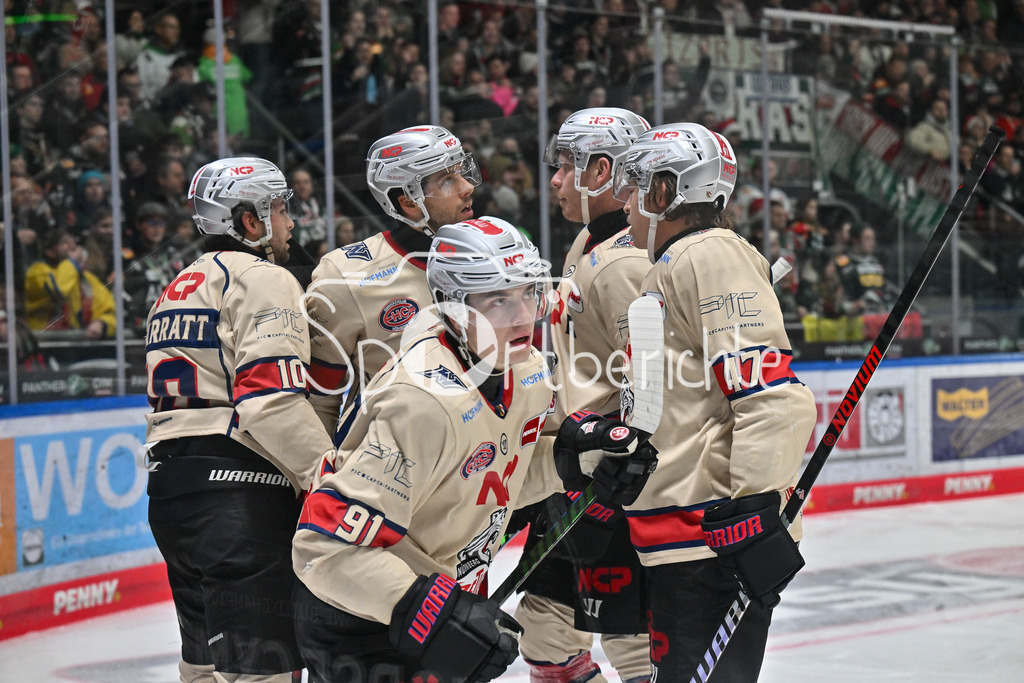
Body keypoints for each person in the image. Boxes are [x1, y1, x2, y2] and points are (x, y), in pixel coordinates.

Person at [291, 216, 655, 682]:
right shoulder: (421, 401)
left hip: (437, 607)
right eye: (498, 299)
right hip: (365, 624)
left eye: (528, 292)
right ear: (455, 308)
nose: (523, 315)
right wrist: (430, 612)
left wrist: (581, 460)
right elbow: (323, 547)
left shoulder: (525, 374)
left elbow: (494, 481)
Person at [613, 123, 816, 680]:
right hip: (681, 542)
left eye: (636, 187)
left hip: (710, 542)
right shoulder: (675, 262)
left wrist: (749, 510)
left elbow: (770, 393)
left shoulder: (710, 254)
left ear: (665, 192)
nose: (626, 202)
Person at [144, 157, 336, 683]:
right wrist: (329, 475)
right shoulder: (262, 277)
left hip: (170, 495)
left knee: (203, 669)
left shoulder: (175, 287)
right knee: (261, 672)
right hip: (237, 496)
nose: (289, 222)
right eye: (278, 209)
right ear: (248, 221)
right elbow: (267, 401)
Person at [512, 107, 653, 683]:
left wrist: (623, 460)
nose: (554, 180)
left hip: (615, 480)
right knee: (545, 632)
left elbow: (650, 387)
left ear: (602, 172)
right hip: (576, 466)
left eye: (565, 166)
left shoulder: (623, 263)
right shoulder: (587, 244)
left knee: (633, 643)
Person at [304, 125, 480, 433]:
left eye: (462, 173)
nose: (467, 187)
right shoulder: (345, 277)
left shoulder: (496, 252)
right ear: (409, 203)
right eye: (448, 180)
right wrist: (320, 475)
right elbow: (319, 399)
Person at [23, 228, 116, 339]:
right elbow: (59, 290)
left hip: (79, 345)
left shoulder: (86, 278)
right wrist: (71, 262)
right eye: (65, 242)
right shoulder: (36, 272)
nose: (72, 246)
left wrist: (102, 323)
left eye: (73, 242)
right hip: (44, 344)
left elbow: (109, 309)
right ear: (49, 250)